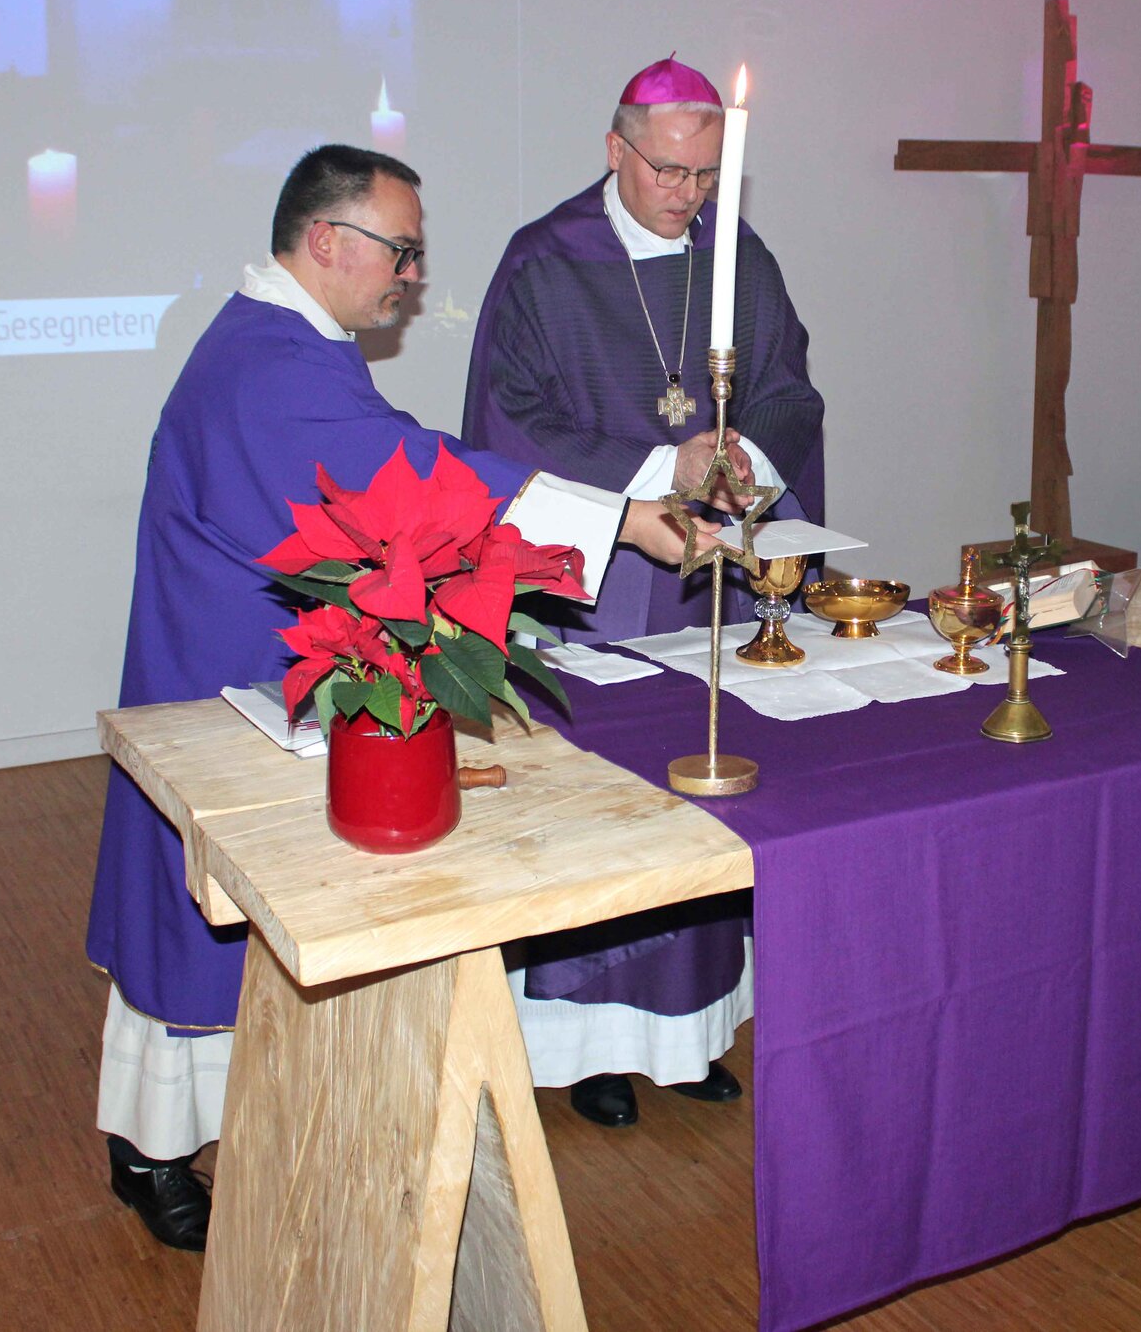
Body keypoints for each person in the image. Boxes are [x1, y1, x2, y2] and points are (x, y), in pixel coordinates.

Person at [86, 145, 707, 1252]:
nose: (412, 276)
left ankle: (272, 1122)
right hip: (222, 683)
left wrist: (618, 504)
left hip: (265, 669)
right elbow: (403, 481)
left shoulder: (288, 341)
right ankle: (151, 1148)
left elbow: (395, 465)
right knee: (204, 931)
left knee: (275, 927)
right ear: (326, 240)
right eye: (401, 250)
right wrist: (616, 515)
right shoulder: (267, 362)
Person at [462, 56, 823, 1131]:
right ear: (614, 149)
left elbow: (790, 380)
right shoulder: (544, 262)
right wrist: (658, 463)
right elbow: (502, 424)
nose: (686, 194)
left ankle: (693, 1028)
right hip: (603, 569)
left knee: (709, 776)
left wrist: (743, 451)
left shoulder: (736, 255)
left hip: (708, 559)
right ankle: (591, 1049)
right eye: (666, 169)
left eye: (706, 175)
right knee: (615, 792)